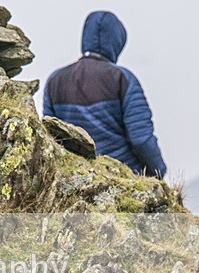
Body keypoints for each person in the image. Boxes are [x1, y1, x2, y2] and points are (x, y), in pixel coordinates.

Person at [44, 11, 167, 179]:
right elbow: (141, 139)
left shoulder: (55, 80)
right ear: (116, 42)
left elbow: (51, 136)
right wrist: (159, 171)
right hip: (124, 177)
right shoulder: (122, 79)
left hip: (75, 178)